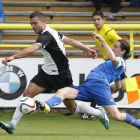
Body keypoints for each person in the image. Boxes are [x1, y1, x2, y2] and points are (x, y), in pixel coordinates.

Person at [0, 11, 97, 134]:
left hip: (61, 76)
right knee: (27, 93)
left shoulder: (46, 36)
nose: (33, 26)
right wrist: (88, 49)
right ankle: (12, 125)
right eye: (31, 24)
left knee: (72, 108)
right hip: (46, 74)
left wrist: (13, 57)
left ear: (43, 21)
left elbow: (32, 49)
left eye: (35, 23)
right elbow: (71, 41)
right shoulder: (52, 32)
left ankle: (99, 112)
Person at [35, 32, 140, 131]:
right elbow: (118, 86)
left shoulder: (120, 61)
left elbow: (113, 58)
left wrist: (103, 41)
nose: (112, 48)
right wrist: (112, 87)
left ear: (123, 51)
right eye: (112, 46)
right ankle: (47, 105)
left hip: (99, 85)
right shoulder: (116, 67)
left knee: (117, 116)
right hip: (88, 86)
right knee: (62, 91)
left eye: (115, 47)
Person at [80, 11, 126, 120]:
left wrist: (123, 64)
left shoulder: (109, 32)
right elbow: (101, 47)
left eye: (98, 19)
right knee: (102, 86)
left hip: (116, 65)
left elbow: (122, 45)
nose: (96, 22)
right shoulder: (97, 31)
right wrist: (89, 50)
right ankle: (97, 111)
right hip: (108, 66)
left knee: (124, 88)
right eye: (94, 20)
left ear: (103, 20)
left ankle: (98, 112)